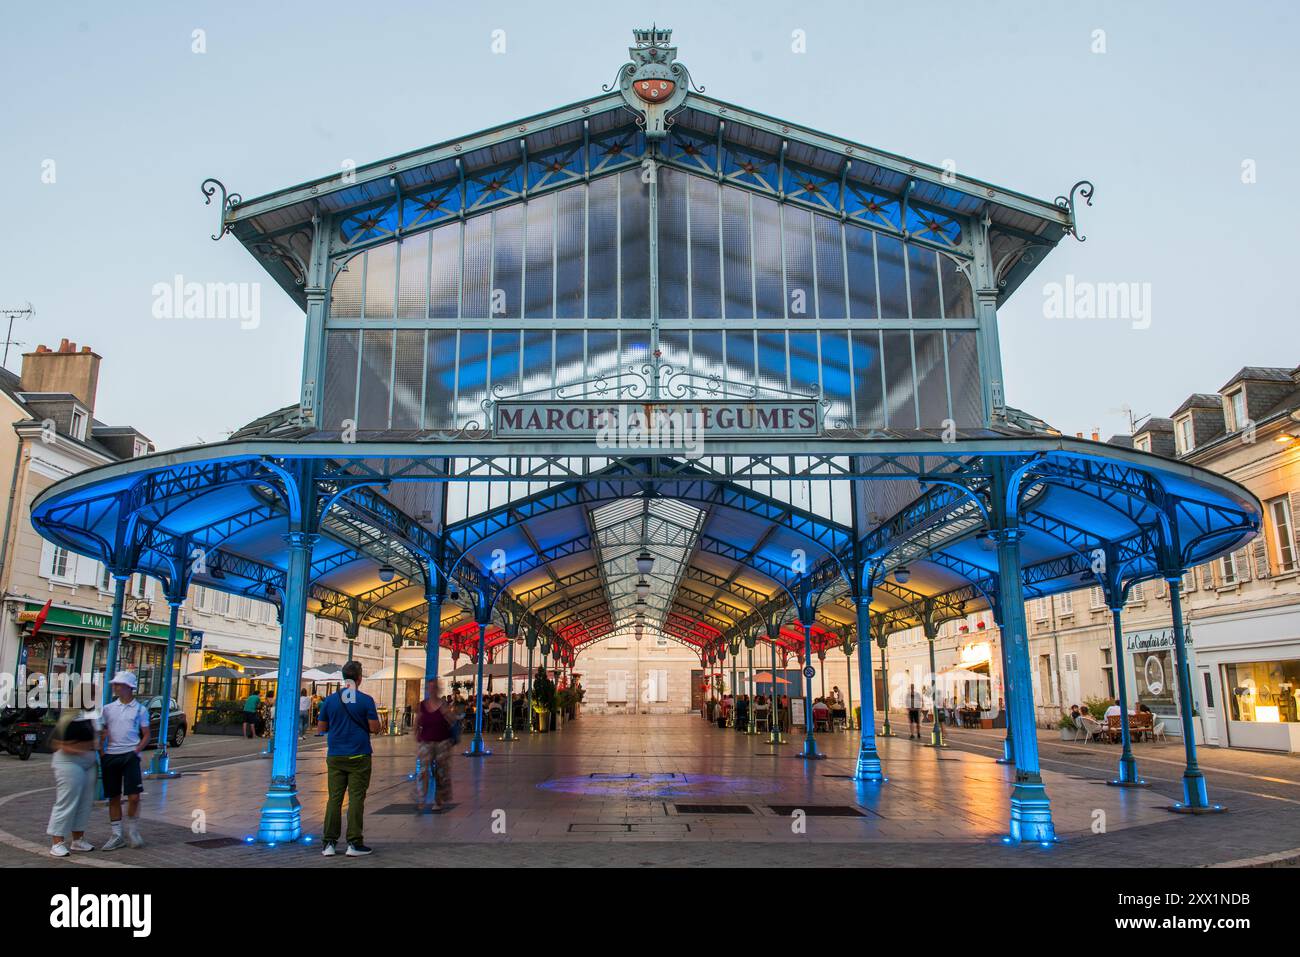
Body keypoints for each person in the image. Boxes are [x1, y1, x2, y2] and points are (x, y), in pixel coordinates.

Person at [316, 660, 380, 857]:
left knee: (334, 799)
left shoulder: (330, 700)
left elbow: (321, 729)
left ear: (344, 678)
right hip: (359, 754)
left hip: (336, 754)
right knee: (356, 799)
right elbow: (374, 728)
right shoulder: (366, 700)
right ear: (359, 679)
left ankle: (329, 843)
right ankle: (354, 842)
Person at [99, 671, 150, 850]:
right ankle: (117, 834)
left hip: (130, 755)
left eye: (118, 684)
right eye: (115, 684)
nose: (115, 687)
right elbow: (102, 731)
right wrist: (101, 752)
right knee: (113, 796)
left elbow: (146, 734)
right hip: (111, 755)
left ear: (129, 687)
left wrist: (136, 750)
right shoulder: (108, 708)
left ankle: (133, 830)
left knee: (134, 797)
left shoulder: (140, 710)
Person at [47, 706, 99, 857]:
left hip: (88, 763)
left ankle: (78, 840)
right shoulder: (68, 717)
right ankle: (57, 842)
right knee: (66, 801)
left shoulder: (92, 716)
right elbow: (53, 743)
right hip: (69, 763)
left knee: (85, 801)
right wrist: (76, 749)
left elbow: (95, 738)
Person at [414, 678, 456, 812]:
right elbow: (417, 722)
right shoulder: (422, 705)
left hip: (443, 742)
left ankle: (438, 800)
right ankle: (421, 798)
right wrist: (417, 737)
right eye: (429, 688)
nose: (432, 690)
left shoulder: (444, 705)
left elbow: (453, 721)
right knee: (423, 771)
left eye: (434, 688)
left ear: (438, 689)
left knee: (440, 771)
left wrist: (446, 713)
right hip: (426, 741)